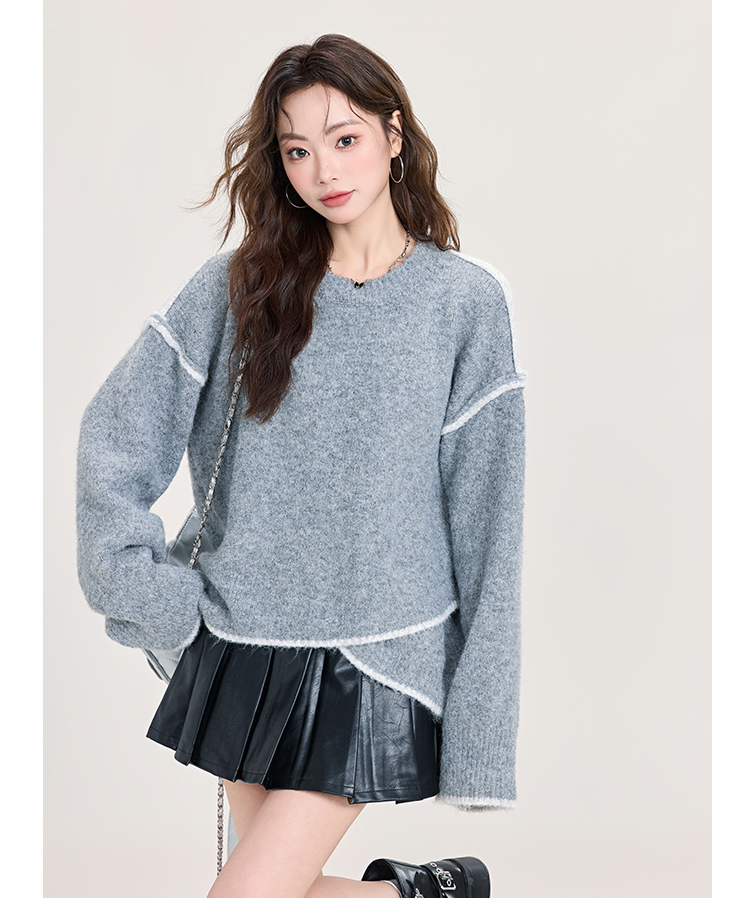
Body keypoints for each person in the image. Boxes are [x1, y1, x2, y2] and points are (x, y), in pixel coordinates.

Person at [76, 33, 527, 898]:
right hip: (241, 643)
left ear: (394, 135)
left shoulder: (464, 302)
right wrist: (146, 593)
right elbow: (114, 437)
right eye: (297, 150)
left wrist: (480, 733)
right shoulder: (238, 289)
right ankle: (417, 894)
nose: (324, 169)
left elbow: (489, 525)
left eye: (345, 138)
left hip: (379, 651)